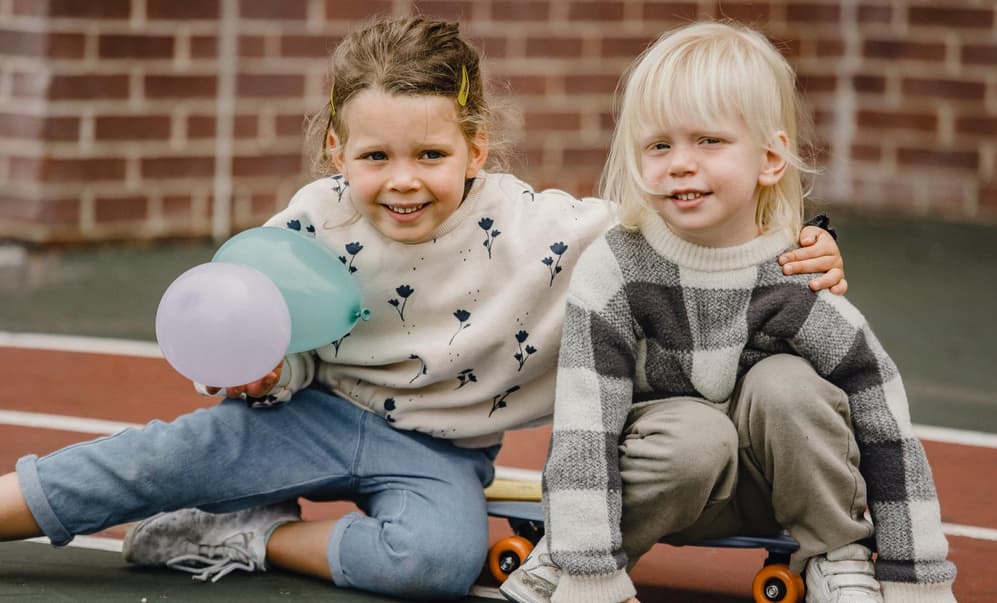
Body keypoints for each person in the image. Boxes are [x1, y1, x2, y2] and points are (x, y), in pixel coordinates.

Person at [0, 16, 845, 601]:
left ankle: (244, 535)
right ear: (336, 149)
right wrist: (264, 370)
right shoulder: (310, 221)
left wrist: (806, 243)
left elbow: (677, 229)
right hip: (307, 416)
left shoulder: (550, 232)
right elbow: (264, 330)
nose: (402, 180)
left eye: (431, 154)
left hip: (437, 451)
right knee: (147, 463)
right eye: (375, 156)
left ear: (476, 146)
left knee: (436, 561)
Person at [501, 20, 956, 603]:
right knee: (697, 434)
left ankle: (836, 556)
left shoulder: (796, 270)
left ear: (770, 159)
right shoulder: (616, 269)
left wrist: (915, 574)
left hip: (775, 493)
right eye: (659, 145)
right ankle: (570, 557)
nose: (680, 163)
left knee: (789, 386)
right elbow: (585, 423)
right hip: (666, 485)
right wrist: (586, 566)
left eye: (709, 141)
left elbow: (881, 415)